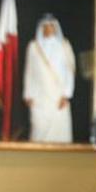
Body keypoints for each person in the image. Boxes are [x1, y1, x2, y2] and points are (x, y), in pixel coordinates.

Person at [23, 14, 76, 143]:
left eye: (51, 26)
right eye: (45, 27)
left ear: (56, 28)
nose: (48, 29)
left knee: (60, 133)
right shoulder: (33, 47)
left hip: (58, 98)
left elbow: (70, 72)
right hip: (39, 98)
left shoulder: (64, 46)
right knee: (38, 132)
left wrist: (66, 95)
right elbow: (29, 72)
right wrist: (28, 95)